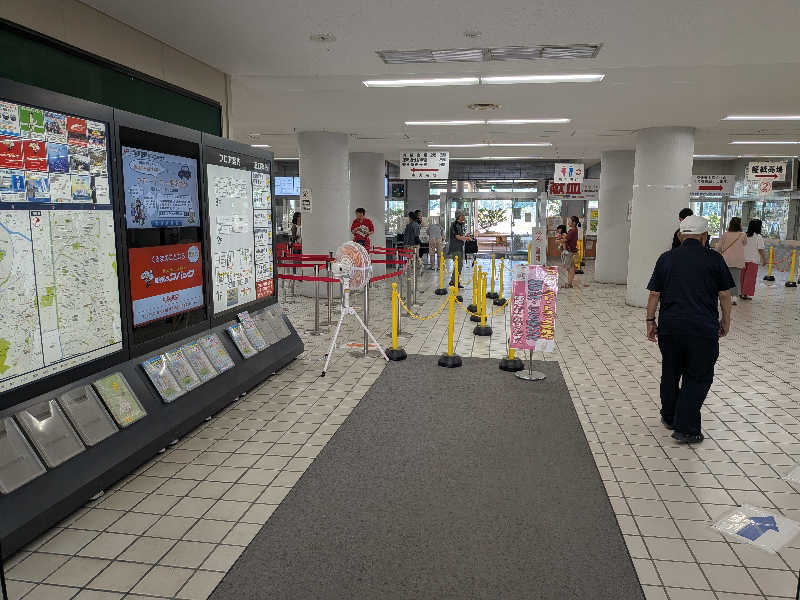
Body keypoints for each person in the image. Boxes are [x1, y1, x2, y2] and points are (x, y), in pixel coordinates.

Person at [646, 215, 733, 444]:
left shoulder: (666, 259)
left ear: (680, 235)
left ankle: (669, 416)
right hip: (702, 329)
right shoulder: (715, 259)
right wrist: (726, 320)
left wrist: (649, 321)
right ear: (704, 237)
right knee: (698, 376)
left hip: (670, 328)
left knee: (671, 370)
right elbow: (724, 294)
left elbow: (654, 294)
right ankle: (686, 428)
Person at [716, 217, 746, 304]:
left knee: (725, 279)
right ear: (739, 225)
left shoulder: (725, 234)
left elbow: (719, 247)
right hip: (738, 260)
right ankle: (734, 298)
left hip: (726, 260)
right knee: (736, 279)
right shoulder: (742, 235)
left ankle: (726, 296)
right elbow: (744, 243)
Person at [740, 218, 767, 300]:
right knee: (750, 278)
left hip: (743, 259)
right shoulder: (758, 237)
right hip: (753, 260)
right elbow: (760, 249)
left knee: (743, 277)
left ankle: (741, 292)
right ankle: (745, 294)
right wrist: (764, 259)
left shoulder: (744, 235)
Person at [448, 211, 474, 288]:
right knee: (459, 265)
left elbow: (461, 235)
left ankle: (453, 281)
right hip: (455, 247)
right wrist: (467, 238)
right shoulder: (454, 224)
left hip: (460, 247)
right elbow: (457, 237)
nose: (464, 217)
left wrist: (466, 236)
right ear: (458, 216)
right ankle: (455, 282)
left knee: (459, 265)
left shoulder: (461, 224)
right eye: (462, 216)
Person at [564, 216, 580, 288]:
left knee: (570, 268)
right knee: (571, 268)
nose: (568, 222)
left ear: (574, 223)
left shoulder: (572, 231)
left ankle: (569, 283)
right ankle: (569, 283)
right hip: (572, 251)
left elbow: (565, 240)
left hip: (570, 252)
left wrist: (559, 240)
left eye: (569, 221)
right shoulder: (574, 230)